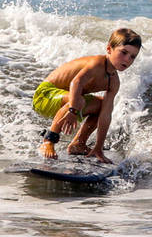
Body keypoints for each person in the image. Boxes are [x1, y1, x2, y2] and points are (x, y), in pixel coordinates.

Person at [33, 27, 142, 163]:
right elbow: (76, 83)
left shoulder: (114, 82)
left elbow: (105, 115)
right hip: (44, 95)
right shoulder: (97, 63)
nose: (127, 59)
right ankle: (48, 141)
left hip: (66, 101)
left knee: (102, 105)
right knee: (79, 100)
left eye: (132, 56)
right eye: (124, 52)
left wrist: (98, 147)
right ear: (109, 49)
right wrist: (73, 110)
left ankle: (78, 144)